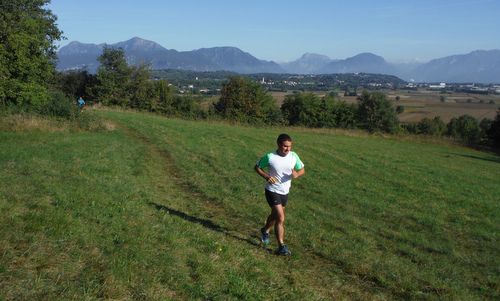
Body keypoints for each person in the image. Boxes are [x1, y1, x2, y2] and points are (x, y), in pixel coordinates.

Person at [255, 133, 305, 255]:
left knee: (274, 216)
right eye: (285, 146)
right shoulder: (270, 157)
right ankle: (281, 246)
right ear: (278, 144)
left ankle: (265, 230)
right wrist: (267, 176)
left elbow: (302, 169)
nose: (288, 149)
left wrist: (297, 174)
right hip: (272, 190)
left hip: (285, 191)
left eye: (290, 146)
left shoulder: (293, 156)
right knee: (281, 218)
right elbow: (257, 167)